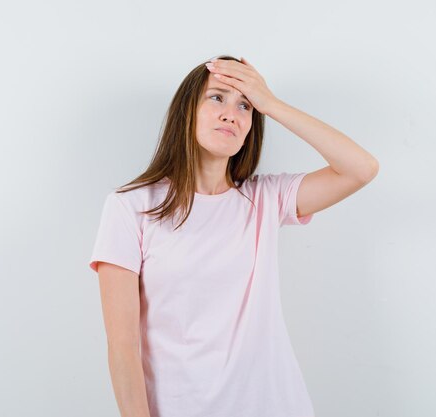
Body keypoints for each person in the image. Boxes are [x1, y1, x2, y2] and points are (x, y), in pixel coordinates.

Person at [88, 55, 379, 417]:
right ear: (186, 111)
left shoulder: (265, 199)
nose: (232, 113)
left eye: (245, 105)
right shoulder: (131, 206)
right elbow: (122, 345)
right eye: (217, 98)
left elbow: (362, 168)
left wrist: (270, 103)